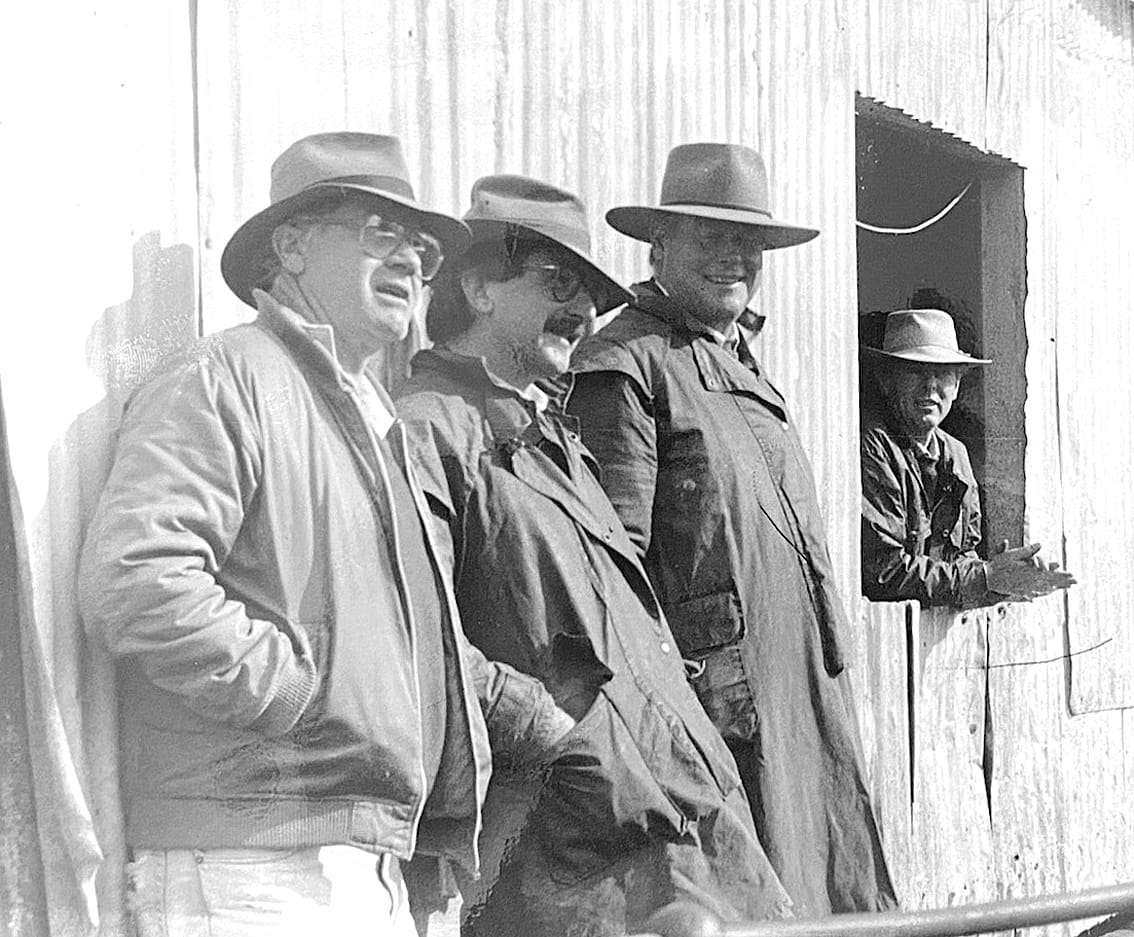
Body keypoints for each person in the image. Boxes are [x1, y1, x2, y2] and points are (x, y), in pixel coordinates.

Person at [77, 133, 573, 937]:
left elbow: (397, 643)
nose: (413, 264)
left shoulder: (378, 427)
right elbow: (136, 580)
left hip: (363, 856)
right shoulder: (226, 377)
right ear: (292, 247)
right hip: (252, 863)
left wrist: (523, 714)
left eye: (422, 249)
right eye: (382, 233)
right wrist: (292, 692)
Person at [395, 175, 793, 937]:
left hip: (673, 824)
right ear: (477, 287)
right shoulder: (429, 433)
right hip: (565, 852)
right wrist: (553, 732)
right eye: (557, 284)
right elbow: (411, 650)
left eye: (589, 294)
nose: (581, 313)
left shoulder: (552, 438)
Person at [568, 142, 898, 915]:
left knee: (831, 904)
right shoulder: (626, 364)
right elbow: (614, 585)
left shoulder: (741, 363)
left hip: (805, 706)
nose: (733, 258)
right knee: (742, 911)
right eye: (709, 239)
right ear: (659, 249)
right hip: (720, 727)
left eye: (747, 243)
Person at [860, 307, 1076, 607]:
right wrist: (986, 578)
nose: (931, 386)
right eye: (916, 370)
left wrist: (1005, 579)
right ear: (886, 380)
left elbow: (962, 557)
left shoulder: (956, 454)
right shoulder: (874, 447)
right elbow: (885, 571)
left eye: (943, 373)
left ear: (958, 385)